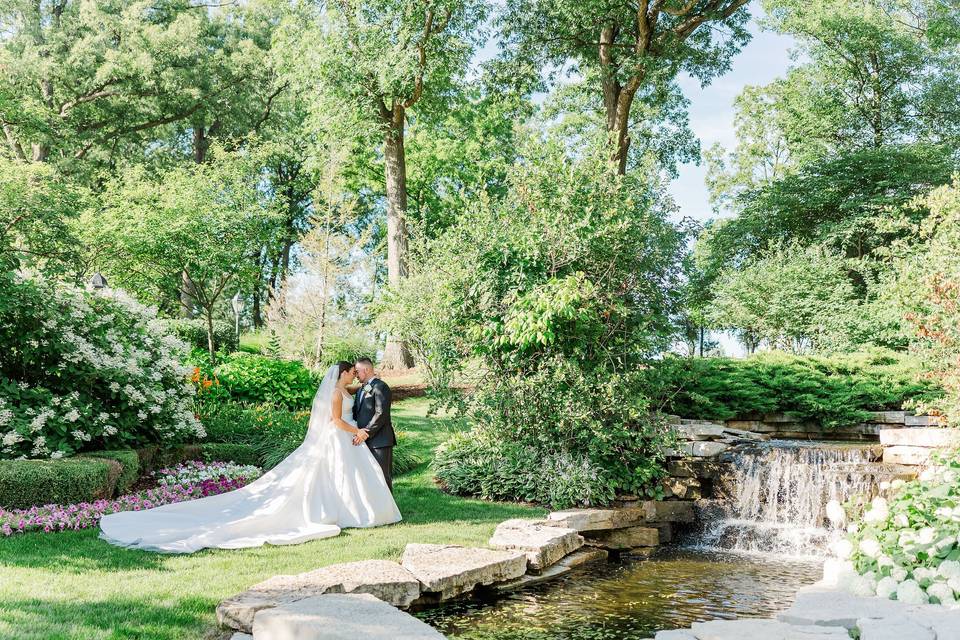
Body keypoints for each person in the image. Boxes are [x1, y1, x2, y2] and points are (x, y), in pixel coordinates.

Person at [98, 361, 401, 553]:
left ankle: (352, 509)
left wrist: (358, 432)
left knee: (342, 478)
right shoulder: (336, 394)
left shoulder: (349, 392)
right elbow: (335, 420)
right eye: (351, 372)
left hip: (346, 441)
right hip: (339, 437)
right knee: (329, 476)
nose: (354, 376)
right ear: (344, 373)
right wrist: (356, 431)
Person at [352, 357, 396, 491]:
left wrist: (366, 433)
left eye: (357, 371)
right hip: (363, 440)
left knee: (383, 476)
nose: (355, 374)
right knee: (368, 478)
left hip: (380, 441)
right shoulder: (361, 389)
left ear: (366, 370)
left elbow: (381, 414)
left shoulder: (381, 387)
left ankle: (390, 511)